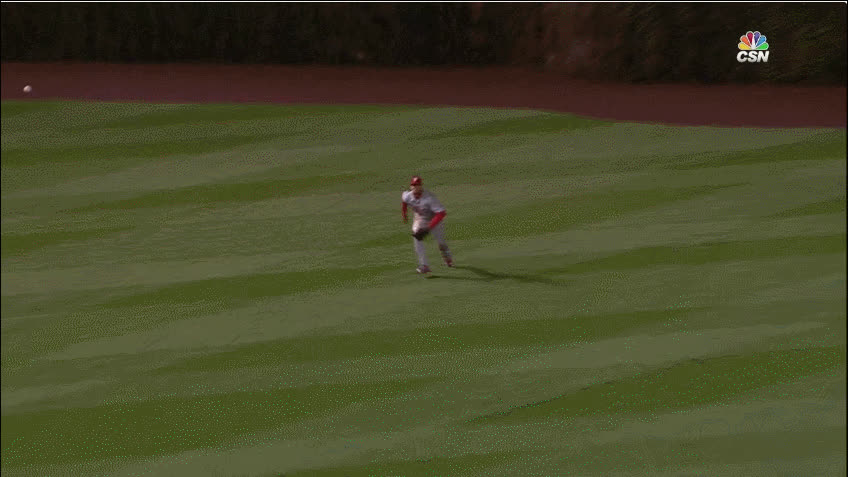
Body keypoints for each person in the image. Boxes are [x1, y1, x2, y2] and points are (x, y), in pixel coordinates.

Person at [401, 175, 454, 274]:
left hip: (435, 219)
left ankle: (448, 258)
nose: (415, 187)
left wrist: (428, 228)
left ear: (421, 186)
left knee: (441, 242)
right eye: (413, 185)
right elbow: (404, 202)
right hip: (421, 218)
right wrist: (404, 214)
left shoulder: (429, 198)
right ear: (411, 186)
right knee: (416, 235)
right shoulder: (407, 195)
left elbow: (441, 213)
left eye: (418, 185)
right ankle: (424, 265)